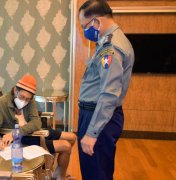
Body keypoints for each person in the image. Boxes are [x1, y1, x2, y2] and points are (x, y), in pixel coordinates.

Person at [77, 0, 134, 179]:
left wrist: (92, 133)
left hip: (98, 117)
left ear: (97, 22)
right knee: (95, 170)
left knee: (96, 172)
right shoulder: (106, 42)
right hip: (97, 114)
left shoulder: (111, 48)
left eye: (84, 26)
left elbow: (109, 94)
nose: (85, 32)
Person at [0, 74, 77, 180]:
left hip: (32, 131)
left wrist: (17, 132)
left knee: (72, 137)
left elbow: (36, 123)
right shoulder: (1, 103)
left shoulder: (30, 100)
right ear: (15, 90)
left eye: (27, 99)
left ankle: (57, 173)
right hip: (24, 139)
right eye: (22, 97)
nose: (24, 101)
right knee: (66, 146)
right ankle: (60, 177)